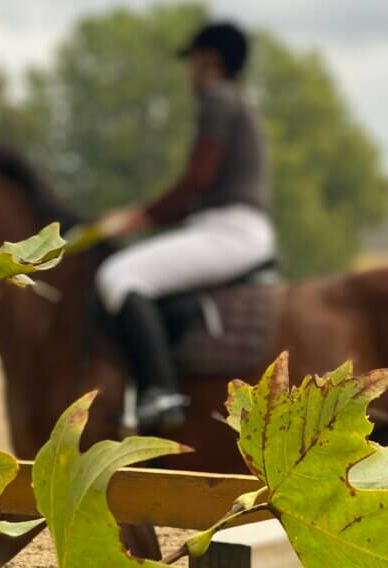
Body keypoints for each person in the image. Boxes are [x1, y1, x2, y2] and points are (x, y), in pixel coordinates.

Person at [96, 20, 275, 432]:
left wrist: (137, 217)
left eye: (190, 62)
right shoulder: (236, 101)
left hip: (231, 230)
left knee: (119, 274)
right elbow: (197, 192)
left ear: (208, 61)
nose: (187, 73)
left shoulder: (218, 98)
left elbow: (197, 180)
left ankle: (160, 391)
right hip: (226, 226)